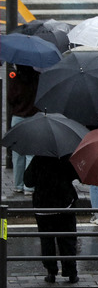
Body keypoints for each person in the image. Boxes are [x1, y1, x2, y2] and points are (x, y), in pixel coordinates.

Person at [24, 155, 79, 284]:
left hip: (43, 205)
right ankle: (71, 272)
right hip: (64, 203)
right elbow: (76, 175)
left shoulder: (38, 159)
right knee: (67, 238)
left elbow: (28, 181)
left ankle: (51, 272)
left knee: (47, 240)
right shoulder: (66, 158)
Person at [8, 64, 39, 195]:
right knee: (31, 153)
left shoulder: (16, 79)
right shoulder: (37, 79)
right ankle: (29, 186)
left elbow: (10, 99)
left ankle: (18, 184)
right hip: (33, 117)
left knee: (17, 153)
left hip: (18, 118)